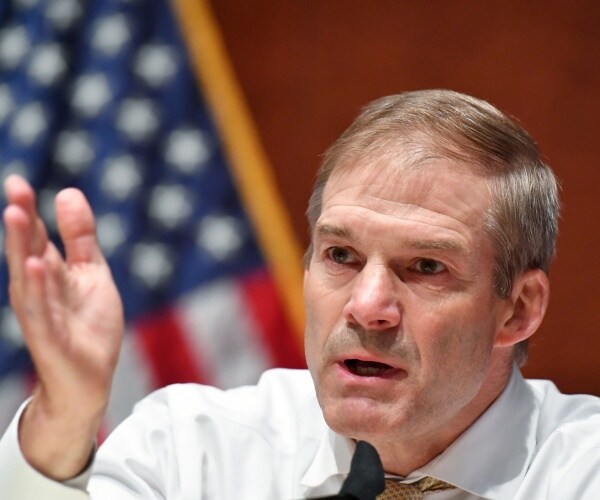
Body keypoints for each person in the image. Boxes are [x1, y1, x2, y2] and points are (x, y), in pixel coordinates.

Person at [0, 89, 599, 499]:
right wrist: (66, 418)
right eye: (341, 256)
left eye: (424, 267)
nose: (367, 306)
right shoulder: (192, 451)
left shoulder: (583, 471)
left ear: (517, 311)